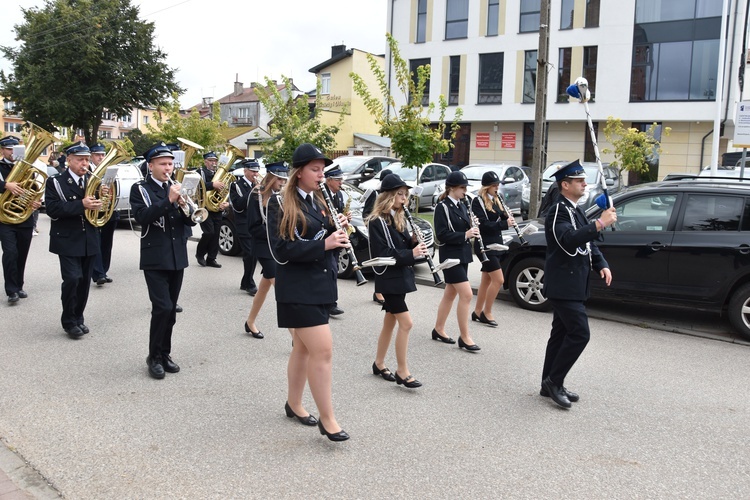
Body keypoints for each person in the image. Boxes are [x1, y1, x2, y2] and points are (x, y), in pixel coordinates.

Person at [266, 143, 349, 442]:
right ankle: (328, 420)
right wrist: (324, 244)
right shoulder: (279, 203)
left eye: (322, 170)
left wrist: (337, 232)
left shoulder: (319, 202)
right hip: (298, 289)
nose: (321, 175)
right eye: (315, 169)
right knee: (323, 350)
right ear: (299, 172)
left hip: (320, 285)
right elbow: (281, 250)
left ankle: (294, 403)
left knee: (302, 349)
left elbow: (321, 236)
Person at [540, 160, 616, 409]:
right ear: (565, 184)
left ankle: (547, 383)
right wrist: (600, 223)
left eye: (583, 180)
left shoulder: (576, 209)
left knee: (560, 334)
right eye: (579, 180)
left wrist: (601, 263)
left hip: (575, 283)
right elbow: (567, 241)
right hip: (563, 284)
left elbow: (589, 243)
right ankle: (555, 381)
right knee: (580, 333)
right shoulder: (557, 211)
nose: (585, 184)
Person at [129, 143, 196, 379]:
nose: (168, 168)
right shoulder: (141, 189)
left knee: (171, 312)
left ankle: (165, 354)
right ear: (151, 166)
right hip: (155, 256)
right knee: (162, 308)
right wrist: (168, 200)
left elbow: (190, 223)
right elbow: (142, 217)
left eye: (170, 163)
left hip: (177, 256)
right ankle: (153, 357)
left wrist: (186, 207)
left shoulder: (176, 187)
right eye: (163, 164)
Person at [366, 173, 427, 388]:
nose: (404, 198)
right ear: (388, 196)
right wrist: (412, 253)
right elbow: (385, 253)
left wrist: (412, 243)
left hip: (399, 277)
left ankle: (379, 362)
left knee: (390, 320)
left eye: (405, 194)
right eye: (399, 194)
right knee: (406, 323)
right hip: (388, 279)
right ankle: (402, 371)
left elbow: (400, 248)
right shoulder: (377, 221)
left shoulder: (396, 218)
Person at [45, 142, 103, 338]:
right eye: (80, 159)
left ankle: (78, 317)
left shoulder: (93, 180)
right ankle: (69, 320)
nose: (84, 163)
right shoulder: (55, 181)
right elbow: (52, 210)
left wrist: (101, 202)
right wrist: (81, 204)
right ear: (68, 160)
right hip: (68, 239)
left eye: (86, 159)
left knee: (85, 281)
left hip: (89, 238)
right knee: (72, 279)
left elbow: (99, 208)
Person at [431, 171, 481, 351]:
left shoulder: (462, 205)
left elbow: (465, 227)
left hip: (463, 254)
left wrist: (473, 226)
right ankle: (465, 337)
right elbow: (442, 235)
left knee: (450, 293)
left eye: (465, 188)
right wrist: (465, 234)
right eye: (462, 188)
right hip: (450, 255)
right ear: (451, 188)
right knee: (466, 295)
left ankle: (438, 329)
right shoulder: (442, 207)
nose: (465, 191)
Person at [243, 161, 287, 339]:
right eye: (279, 179)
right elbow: (253, 227)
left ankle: (250, 321)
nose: (282, 183)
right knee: (282, 290)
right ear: (270, 177)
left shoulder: (281, 194)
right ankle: (296, 337)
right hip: (263, 246)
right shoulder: (256, 194)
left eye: (284, 179)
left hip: (278, 246)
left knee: (264, 287)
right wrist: (275, 231)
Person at [470, 171, 516, 327]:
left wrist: (508, 217)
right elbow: (482, 225)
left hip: (496, 243)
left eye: (498, 185)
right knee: (499, 280)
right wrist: (505, 224)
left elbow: (501, 216)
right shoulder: (478, 202)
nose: (497, 187)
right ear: (487, 187)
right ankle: (487, 312)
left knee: (486, 280)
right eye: (494, 185)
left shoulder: (496, 199)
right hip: (484, 245)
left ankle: (477, 311)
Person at [0, 136, 41, 303]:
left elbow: (35, 188)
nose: (12, 152)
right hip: (4, 218)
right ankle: (11, 290)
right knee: (10, 253)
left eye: (14, 149)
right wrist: (5, 185)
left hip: (24, 217)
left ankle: (19, 285)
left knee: (22, 254)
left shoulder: (27, 168)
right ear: (2, 150)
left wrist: (35, 201)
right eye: (9, 149)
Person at [89, 143, 119, 286]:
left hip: (108, 210)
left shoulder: (110, 170)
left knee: (107, 243)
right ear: (91, 156)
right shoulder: (87, 171)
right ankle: (98, 273)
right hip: (93, 211)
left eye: (102, 154)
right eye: (97, 155)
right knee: (96, 241)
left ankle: (104, 271)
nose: (101, 157)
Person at [229, 158, 259, 295]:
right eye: (253, 171)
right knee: (250, 253)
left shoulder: (258, 185)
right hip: (243, 224)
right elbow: (238, 206)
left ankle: (245, 281)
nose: (256, 174)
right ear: (245, 171)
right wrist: (253, 191)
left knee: (253, 255)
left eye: (257, 172)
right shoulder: (236, 185)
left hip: (256, 224)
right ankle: (249, 283)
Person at [321, 165, 348, 316]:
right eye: (338, 180)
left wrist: (345, 218)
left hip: (336, 238)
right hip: (326, 238)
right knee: (330, 270)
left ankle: (330, 302)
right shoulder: (321, 194)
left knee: (333, 271)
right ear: (329, 180)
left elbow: (339, 211)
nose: (340, 183)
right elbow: (323, 217)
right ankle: (330, 303)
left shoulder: (338, 195)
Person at [362, 168, 391, 306]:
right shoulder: (374, 194)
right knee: (379, 261)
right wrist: (372, 226)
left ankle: (386, 290)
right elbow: (366, 213)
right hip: (377, 231)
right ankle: (377, 292)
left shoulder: (392, 196)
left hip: (389, 232)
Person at [195, 151, 227, 268]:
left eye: (215, 161)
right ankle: (200, 254)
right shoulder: (200, 172)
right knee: (209, 232)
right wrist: (212, 185)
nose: (214, 163)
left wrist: (225, 203)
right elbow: (198, 187)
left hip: (216, 207)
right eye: (211, 160)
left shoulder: (221, 174)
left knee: (216, 234)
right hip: (204, 207)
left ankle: (211, 258)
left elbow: (226, 190)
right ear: (205, 162)